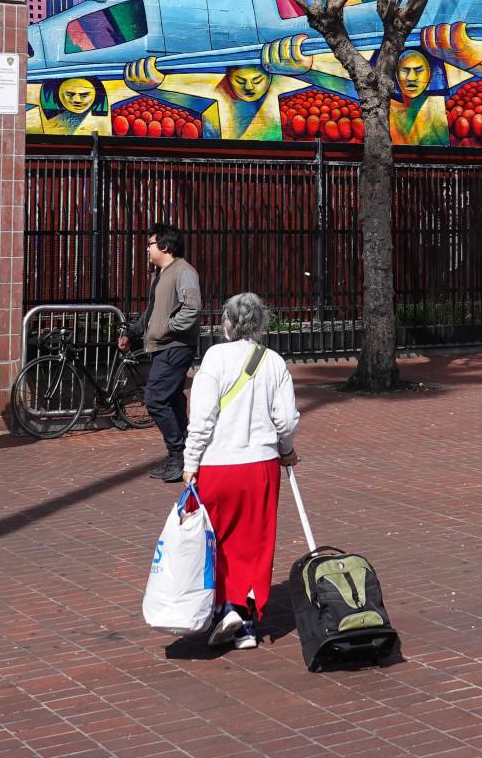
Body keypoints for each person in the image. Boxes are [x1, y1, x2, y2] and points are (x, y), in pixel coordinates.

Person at [183, 292, 300, 651]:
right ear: (261, 323)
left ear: (228, 323)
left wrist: (190, 463)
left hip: (219, 463)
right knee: (255, 539)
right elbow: (286, 420)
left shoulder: (214, 359)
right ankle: (246, 618)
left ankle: (225, 606)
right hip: (261, 465)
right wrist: (286, 450)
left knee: (216, 537)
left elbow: (201, 419)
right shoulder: (274, 362)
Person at [117, 222, 201, 482]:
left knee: (155, 399)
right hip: (162, 346)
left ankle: (178, 454)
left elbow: (192, 307)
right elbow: (152, 313)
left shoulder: (183, 271)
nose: (147, 249)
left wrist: (168, 327)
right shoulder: (161, 275)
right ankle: (184, 455)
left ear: (165, 246)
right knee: (172, 399)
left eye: (150, 244)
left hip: (176, 347)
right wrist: (133, 333)